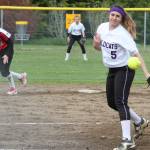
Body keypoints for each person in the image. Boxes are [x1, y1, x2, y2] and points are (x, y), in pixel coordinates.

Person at [93, 6, 150, 150]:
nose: (114, 18)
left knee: (120, 101)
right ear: (109, 15)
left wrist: (147, 74)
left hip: (125, 70)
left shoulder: (123, 34)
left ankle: (127, 140)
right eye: (112, 15)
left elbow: (137, 55)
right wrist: (96, 44)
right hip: (112, 70)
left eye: (117, 16)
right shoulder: (102, 28)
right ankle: (140, 121)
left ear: (121, 19)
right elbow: (98, 48)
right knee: (112, 103)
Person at [0, 27, 27, 95]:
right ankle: (21, 76)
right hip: (1, 50)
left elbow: (10, 42)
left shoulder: (1, 33)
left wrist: (7, 55)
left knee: (4, 72)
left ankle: (13, 89)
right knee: (3, 72)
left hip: (7, 51)